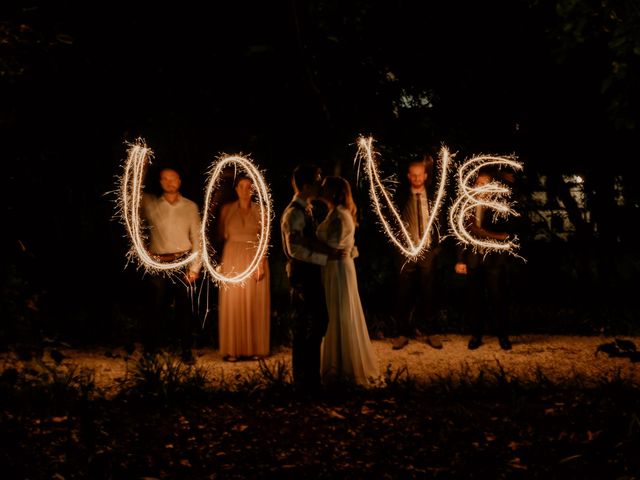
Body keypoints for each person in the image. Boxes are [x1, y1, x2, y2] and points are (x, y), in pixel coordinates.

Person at [280, 164, 344, 393]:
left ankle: (310, 379)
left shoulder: (304, 209)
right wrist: (326, 257)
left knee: (315, 324)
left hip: (309, 274)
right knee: (306, 326)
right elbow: (295, 249)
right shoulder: (294, 213)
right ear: (306, 185)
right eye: (317, 180)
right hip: (302, 276)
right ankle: (304, 381)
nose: (321, 183)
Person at [316, 176, 379, 386]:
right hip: (334, 267)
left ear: (334, 192)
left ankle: (343, 366)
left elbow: (335, 248)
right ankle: (337, 362)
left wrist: (307, 243)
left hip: (338, 269)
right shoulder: (336, 213)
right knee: (335, 312)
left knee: (340, 312)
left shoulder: (340, 216)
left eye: (325, 187)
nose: (321, 189)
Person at [141, 167, 202, 362]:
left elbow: (197, 240)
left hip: (181, 263)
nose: (169, 182)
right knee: (155, 309)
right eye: (165, 179)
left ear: (179, 181)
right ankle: (150, 350)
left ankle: (185, 351)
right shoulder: (150, 204)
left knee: (184, 311)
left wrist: (194, 268)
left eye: (173, 179)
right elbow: (131, 201)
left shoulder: (190, 207)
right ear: (160, 183)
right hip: (157, 264)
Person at [455, 167, 516, 351]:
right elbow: (461, 234)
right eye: (479, 183)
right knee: (474, 300)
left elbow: (505, 234)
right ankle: (476, 336)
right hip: (473, 260)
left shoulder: (501, 206)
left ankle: (503, 336)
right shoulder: (466, 205)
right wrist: (460, 259)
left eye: (486, 183)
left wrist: (484, 233)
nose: (482, 186)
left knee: (498, 299)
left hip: (494, 261)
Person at [391, 155, 444, 350]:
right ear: (408, 176)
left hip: (428, 250)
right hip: (406, 251)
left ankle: (432, 332)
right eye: (413, 175)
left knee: (429, 292)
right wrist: (399, 244)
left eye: (420, 175)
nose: (416, 178)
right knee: (403, 292)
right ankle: (401, 333)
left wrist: (436, 248)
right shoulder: (400, 196)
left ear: (425, 175)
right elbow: (392, 219)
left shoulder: (433, 196)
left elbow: (441, 221)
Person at [217, 175, 270, 362]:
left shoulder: (261, 210)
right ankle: (233, 349)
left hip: (254, 257)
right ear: (236, 189)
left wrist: (260, 263)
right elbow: (222, 234)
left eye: (249, 186)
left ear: (254, 189)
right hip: (232, 257)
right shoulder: (226, 210)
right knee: (234, 303)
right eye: (241, 186)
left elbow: (265, 239)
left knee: (253, 301)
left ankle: (255, 348)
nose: (245, 190)